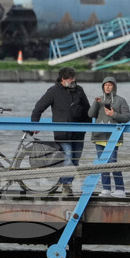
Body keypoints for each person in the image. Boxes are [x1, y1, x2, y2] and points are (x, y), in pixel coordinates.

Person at [31, 67, 91, 196]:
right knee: (68, 157)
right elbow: (38, 108)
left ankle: (66, 183)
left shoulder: (79, 90)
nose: (73, 80)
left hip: (79, 133)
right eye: (70, 78)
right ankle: (66, 186)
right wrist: (35, 123)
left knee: (75, 161)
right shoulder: (53, 91)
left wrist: (90, 126)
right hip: (62, 133)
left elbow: (87, 109)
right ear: (63, 79)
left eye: (74, 77)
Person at [88, 76, 130, 198]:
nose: (107, 87)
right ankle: (106, 189)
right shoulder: (99, 99)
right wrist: (96, 104)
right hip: (99, 136)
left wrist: (114, 114)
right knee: (102, 163)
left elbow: (127, 118)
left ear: (114, 86)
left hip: (114, 136)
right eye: (105, 85)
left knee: (112, 162)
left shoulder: (121, 100)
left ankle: (120, 189)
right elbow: (90, 114)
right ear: (102, 87)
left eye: (110, 85)